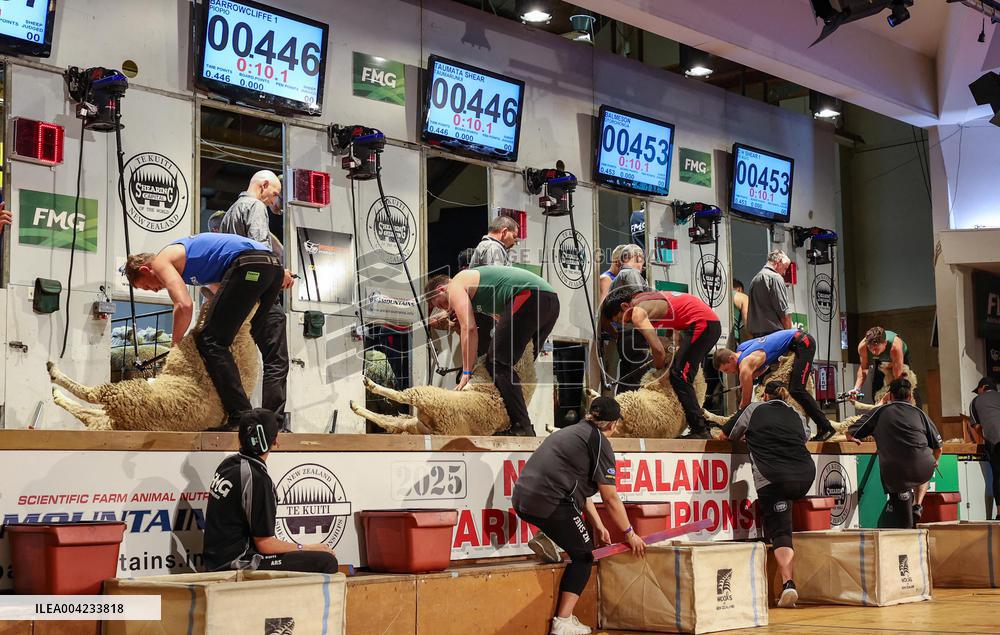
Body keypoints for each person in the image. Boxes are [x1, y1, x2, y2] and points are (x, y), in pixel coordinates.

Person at [513, 397, 645, 635]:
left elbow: (580, 493)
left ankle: (547, 536)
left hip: (523, 500)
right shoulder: (599, 442)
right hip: (549, 502)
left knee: (575, 528)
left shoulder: (572, 432)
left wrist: (598, 524)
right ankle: (562, 622)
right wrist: (630, 533)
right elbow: (611, 498)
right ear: (613, 424)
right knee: (585, 555)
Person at [124, 232, 283, 429]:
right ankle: (271, 423)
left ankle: (241, 415)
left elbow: (184, 305)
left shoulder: (161, 260)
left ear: (146, 269)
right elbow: (225, 295)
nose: (155, 290)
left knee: (211, 341)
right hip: (273, 268)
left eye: (148, 287)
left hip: (249, 264)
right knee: (251, 339)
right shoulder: (197, 264)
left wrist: (176, 345)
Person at [425, 266, 560, 436]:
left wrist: (467, 371)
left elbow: (470, 328)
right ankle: (516, 424)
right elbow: (488, 321)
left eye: (442, 303)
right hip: (550, 301)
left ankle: (523, 426)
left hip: (531, 296)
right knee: (517, 366)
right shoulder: (480, 294)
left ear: (441, 289)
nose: (445, 308)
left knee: (497, 361)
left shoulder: (455, 285)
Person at [203, 409, 338, 572]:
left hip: (215, 560)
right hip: (236, 563)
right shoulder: (257, 479)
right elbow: (265, 545)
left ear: (240, 439)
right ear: (276, 441)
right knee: (326, 561)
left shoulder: (229, 463)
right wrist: (308, 547)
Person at [719, 381, 815, 608]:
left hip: (774, 477)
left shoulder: (753, 408)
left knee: (781, 531)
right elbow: (804, 437)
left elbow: (728, 434)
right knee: (784, 523)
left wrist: (749, 438)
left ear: (764, 395)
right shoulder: (796, 413)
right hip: (804, 476)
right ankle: (786, 583)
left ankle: (788, 583)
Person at [220, 172, 295, 430]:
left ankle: (237, 417)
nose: (275, 200)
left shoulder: (231, 212)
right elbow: (261, 253)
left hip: (237, 297)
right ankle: (272, 424)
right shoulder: (255, 207)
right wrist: (280, 274)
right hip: (259, 295)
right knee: (276, 359)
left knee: (235, 360)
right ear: (263, 186)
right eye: (274, 193)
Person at [602, 288, 722, 439]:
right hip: (703, 322)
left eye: (619, 319)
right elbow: (673, 321)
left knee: (680, 375)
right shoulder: (645, 298)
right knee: (679, 373)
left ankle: (701, 430)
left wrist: (658, 372)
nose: (623, 323)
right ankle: (699, 427)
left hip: (703, 324)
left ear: (625, 307)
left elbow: (658, 351)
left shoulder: (637, 313)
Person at [847, 378, 942, 528]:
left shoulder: (880, 411)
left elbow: (852, 431)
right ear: (910, 396)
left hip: (896, 472)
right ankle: (917, 504)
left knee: (904, 521)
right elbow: (938, 448)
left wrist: (851, 437)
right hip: (922, 469)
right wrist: (935, 461)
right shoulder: (920, 413)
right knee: (925, 465)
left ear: (889, 395)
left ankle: (908, 515)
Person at [713, 329, 837, 441]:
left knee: (797, 390)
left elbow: (745, 405)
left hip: (803, 342)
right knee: (795, 389)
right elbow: (764, 360)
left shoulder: (745, 367)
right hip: (797, 341)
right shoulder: (742, 348)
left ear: (731, 359)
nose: (729, 373)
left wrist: (732, 427)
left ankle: (826, 427)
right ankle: (824, 427)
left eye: (726, 370)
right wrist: (747, 380)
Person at [608, 245, 650, 394]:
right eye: (640, 259)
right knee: (637, 380)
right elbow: (640, 302)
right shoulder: (631, 274)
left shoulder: (616, 280)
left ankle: (620, 413)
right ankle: (632, 414)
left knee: (627, 379)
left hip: (625, 336)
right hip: (635, 334)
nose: (642, 264)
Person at [970, 377, 1000, 519]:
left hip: (996, 441)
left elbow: (977, 427)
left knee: (998, 476)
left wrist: (985, 438)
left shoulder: (976, 402)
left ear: (982, 388)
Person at [851, 326, 910, 398]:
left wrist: (892, 392)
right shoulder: (862, 346)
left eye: (876, 348)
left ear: (885, 343)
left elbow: (897, 375)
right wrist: (857, 389)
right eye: (870, 348)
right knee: (876, 392)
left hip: (899, 359)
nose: (873, 352)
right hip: (881, 359)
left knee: (902, 389)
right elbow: (864, 368)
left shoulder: (895, 346)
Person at [747, 251, 792, 338]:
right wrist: (789, 337)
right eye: (785, 268)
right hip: (774, 336)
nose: (784, 273)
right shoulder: (775, 278)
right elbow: (783, 312)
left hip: (757, 336)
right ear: (778, 262)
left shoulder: (755, 279)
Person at [730, 279, 750, 348]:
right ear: (739, 289)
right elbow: (747, 323)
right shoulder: (742, 297)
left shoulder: (716, 295)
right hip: (732, 341)